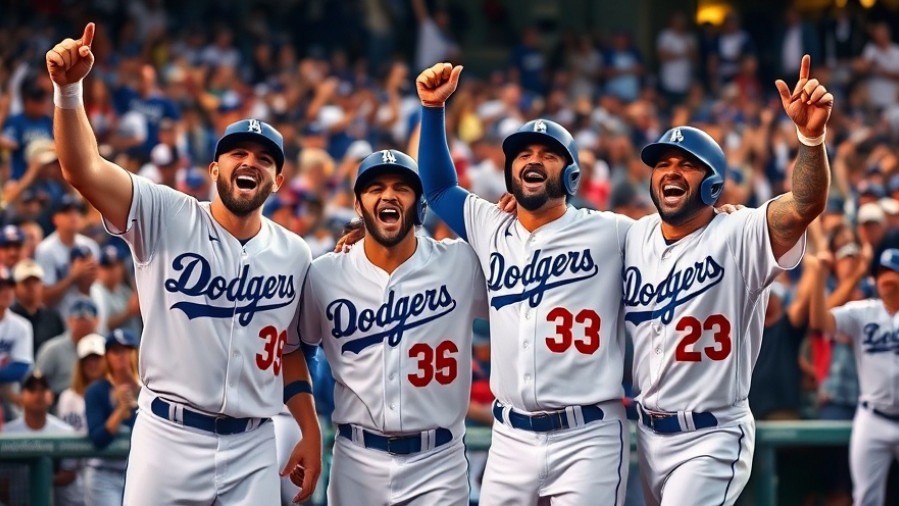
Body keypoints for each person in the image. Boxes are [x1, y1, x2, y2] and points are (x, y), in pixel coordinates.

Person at [46, 23, 320, 504]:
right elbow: (81, 168)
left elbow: (291, 349)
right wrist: (69, 91)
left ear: (278, 180)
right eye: (237, 153)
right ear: (215, 169)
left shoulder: (295, 253)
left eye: (264, 158)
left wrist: (309, 427)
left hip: (254, 442)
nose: (250, 163)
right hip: (168, 436)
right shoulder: (166, 214)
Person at [416, 63, 632, 504]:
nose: (533, 159)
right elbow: (437, 188)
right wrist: (433, 109)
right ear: (510, 171)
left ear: (572, 176)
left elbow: (673, 240)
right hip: (510, 437)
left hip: (588, 434)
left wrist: (712, 218)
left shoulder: (612, 232)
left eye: (548, 154)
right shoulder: (491, 223)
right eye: (523, 154)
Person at [623, 54, 831, 505]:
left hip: (711, 435)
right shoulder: (631, 235)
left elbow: (803, 204)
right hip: (646, 433)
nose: (671, 171)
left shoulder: (739, 233)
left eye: (686, 164)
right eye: (662, 163)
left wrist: (810, 138)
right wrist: (520, 212)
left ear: (713, 183)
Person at [299, 149, 488, 504]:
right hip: (356, 458)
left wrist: (519, 214)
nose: (388, 195)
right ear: (358, 204)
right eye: (375, 189)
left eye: (402, 187)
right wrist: (308, 424)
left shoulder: (460, 263)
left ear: (419, 203)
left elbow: (517, 275)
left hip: (439, 461)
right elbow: (298, 348)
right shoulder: (325, 273)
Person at [809, 235, 899, 506]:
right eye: (881, 273)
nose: (887, 278)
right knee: (865, 499)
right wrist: (818, 277)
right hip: (873, 417)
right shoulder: (864, 312)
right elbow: (820, 321)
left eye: (892, 272)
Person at [4, 370, 84, 506]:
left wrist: (41, 479)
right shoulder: (7, 432)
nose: (38, 394)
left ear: (51, 396)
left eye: (43, 389)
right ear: (21, 396)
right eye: (32, 389)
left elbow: (69, 474)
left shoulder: (65, 432)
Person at [83, 329, 140, 506]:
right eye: (116, 351)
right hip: (104, 473)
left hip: (138, 472)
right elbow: (98, 439)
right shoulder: (97, 390)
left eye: (127, 350)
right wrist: (121, 410)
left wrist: (136, 403)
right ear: (107, 357)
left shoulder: (149, 389)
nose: (122, 356)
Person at [0, 264, 33, 423]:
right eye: (1, 286)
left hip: (10, 392)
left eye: (10, 285)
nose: (6, 291)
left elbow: (20, 368)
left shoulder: (21, 325)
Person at [57, 332, 106, 433]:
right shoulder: (68, 397)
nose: (92, 364)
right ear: (80, 364)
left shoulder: (115, 393)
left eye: (97, 359)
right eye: (87, 359)